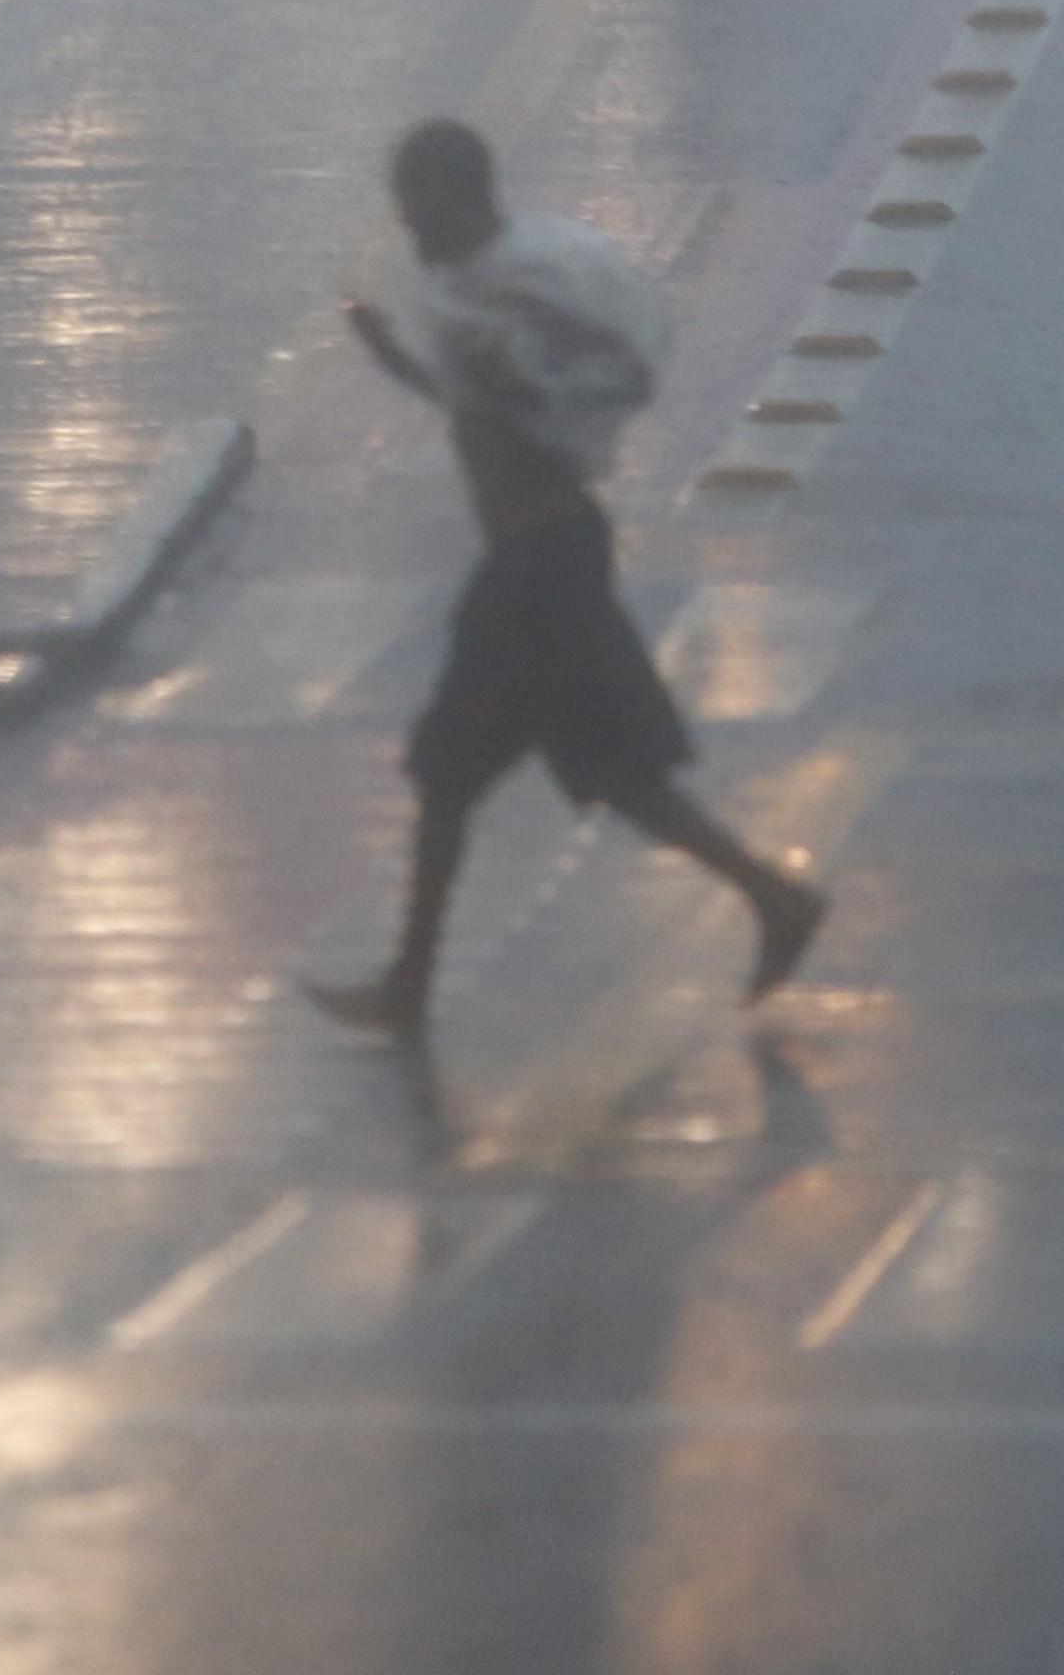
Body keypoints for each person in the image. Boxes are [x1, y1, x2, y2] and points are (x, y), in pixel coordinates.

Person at [306, 118, 828, 1045]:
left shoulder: (515, 295)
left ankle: (410, 985)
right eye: (401, 195)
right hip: (544, 559)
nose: (406, 217)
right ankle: (773, 897)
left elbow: (521, 399)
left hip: (538, 567)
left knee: (453, 773)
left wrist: (442, 358)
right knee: (604, 778)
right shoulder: (476, 301)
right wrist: (402, 361)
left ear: (468, 195)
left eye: (419, 195)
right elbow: (487, 405)